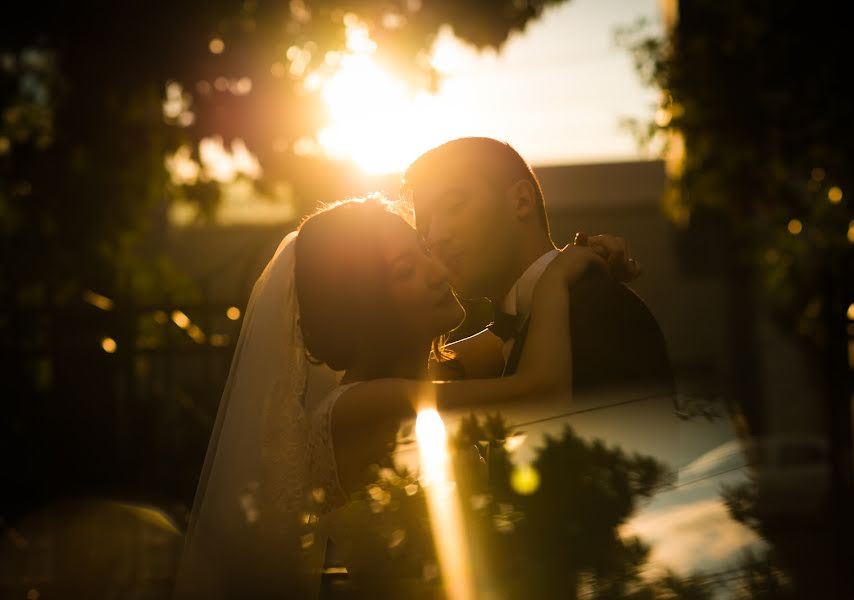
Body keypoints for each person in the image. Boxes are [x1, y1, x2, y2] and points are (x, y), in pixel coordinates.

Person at [172, 195, 635, 599]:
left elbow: (511, 329)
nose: (436, 272)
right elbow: (543, 390)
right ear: (366, 304)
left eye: (424, 252)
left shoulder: (432, 373)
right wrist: (557, 281)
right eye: (404, 271)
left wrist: (581, 261)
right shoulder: (358, 407)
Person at [402, 137, 675, 397]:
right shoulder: (521, 324)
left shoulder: (597, 307)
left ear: (521, 201)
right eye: (424, 227)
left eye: (453, 207)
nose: (435, 236)